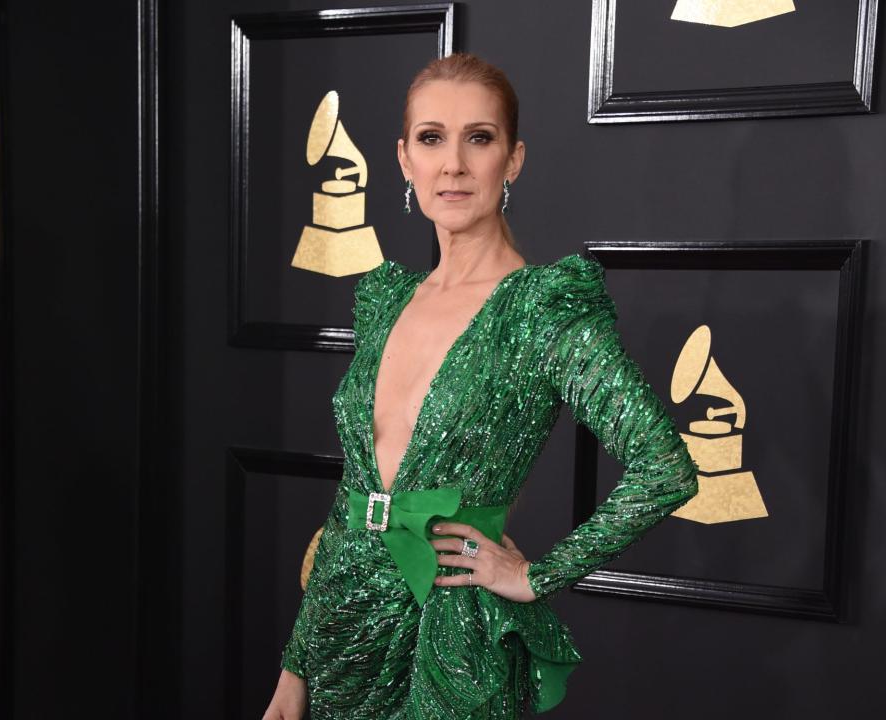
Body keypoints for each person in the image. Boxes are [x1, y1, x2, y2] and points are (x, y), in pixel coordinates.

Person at [263, 52, 699, 720]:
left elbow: (664, 469)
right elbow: (352, 497)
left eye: (480, 138)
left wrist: (534, 575)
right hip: (345, 624)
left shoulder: (542, 308)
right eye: (432, 138)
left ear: (513, 160)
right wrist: (295, 671)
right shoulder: (385, 299)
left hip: (454, 633)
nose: (454, 164)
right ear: (405, 160)